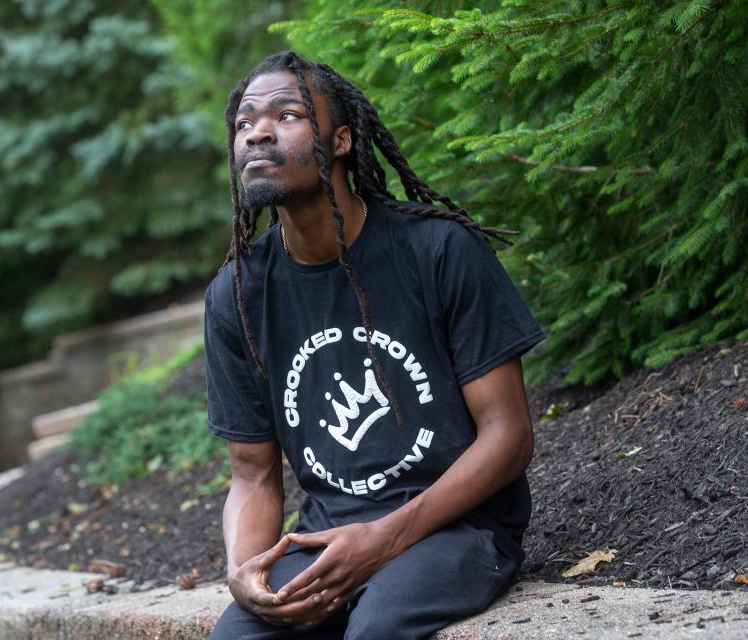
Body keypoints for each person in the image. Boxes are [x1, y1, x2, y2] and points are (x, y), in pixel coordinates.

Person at [203, 50, 546, 639]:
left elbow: (508, 437)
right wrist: (245, 573)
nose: (257, 131)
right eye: (244, 123)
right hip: (324, 541)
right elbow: (253, 478)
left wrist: (383, 537)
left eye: (286, 115)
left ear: (339, 141)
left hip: (457, 530)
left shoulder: (437, 250)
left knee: (377, 628)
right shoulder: (236, 295)